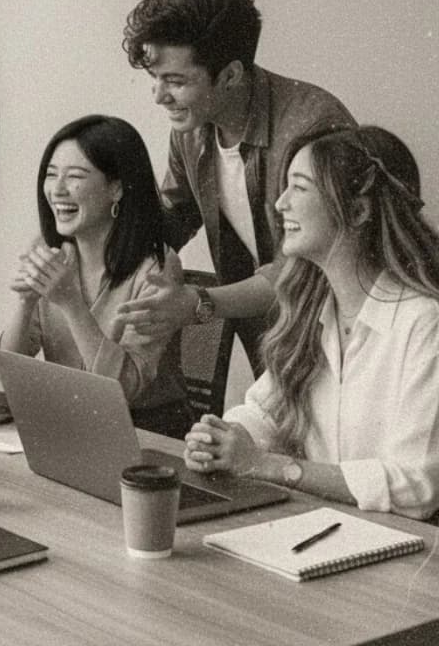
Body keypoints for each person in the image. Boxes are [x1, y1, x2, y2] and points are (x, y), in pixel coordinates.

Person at [183, 126, 439, 519]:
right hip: (329, 530)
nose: (281, 203)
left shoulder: (424, 323)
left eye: (299, 188)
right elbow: (263, 412)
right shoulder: (313, 308)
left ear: (357, 211)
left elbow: (416, 486)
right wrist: (222, 437)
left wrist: (272, 467)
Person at [117, 0, 354, 373]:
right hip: (274, 335)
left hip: (338, 332)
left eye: (175, 81)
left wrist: (197, 303)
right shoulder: (191, 128)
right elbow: (173, 216)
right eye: (155, 79)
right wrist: (96, 240)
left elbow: (308, 266)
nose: (159, 96)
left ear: (229, 75)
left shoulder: (317, 127)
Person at [0, 115, 190, 438]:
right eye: (50, 175)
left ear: (116, 188)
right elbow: (8, 375)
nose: (57, 190)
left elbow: (122, 389)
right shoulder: (52, 251)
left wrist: (71, 304)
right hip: (71, 422)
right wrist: (25, 303)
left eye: (75, 176)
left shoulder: (158, 267)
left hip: (145, 430)